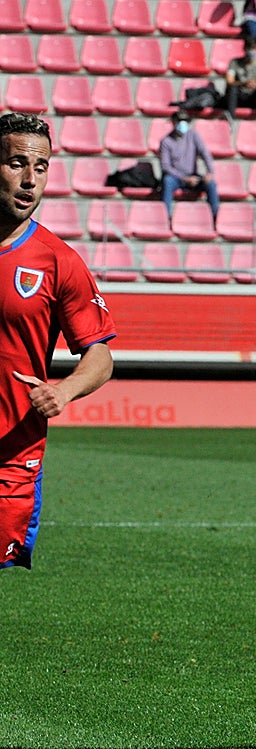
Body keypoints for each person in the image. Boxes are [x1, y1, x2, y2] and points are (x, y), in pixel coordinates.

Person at [0, 113, 116, 570]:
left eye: (42, 167)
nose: (30, 180)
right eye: (15, 163)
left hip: (10, 460)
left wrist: (63, 390)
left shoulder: (58, 261)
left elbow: (100, 355)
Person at [158, 111, 219, 221]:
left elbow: (205, 153)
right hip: (176, 178)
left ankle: (215, 218)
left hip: (193, 176)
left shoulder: (193, 135)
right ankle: (165, 217)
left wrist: (210, 172)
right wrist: (184, 178)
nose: (182, 123)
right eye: (179, 121)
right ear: (173, 122)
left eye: (185, 121)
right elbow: (166, 166)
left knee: (211, 184)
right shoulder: (166, 141)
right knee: (167, 181)